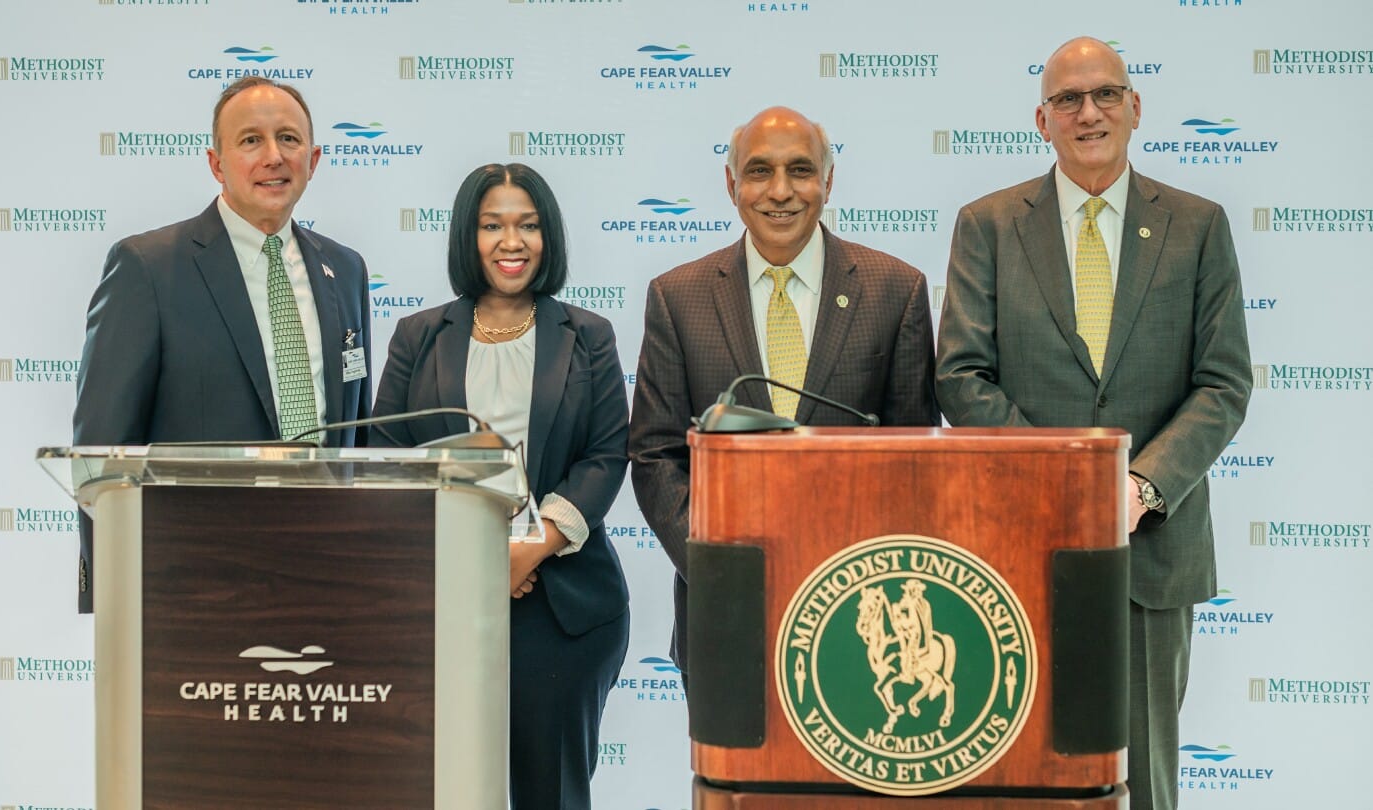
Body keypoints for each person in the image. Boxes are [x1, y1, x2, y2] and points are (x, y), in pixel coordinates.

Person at [935, 37, 1253, 810]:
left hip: (1150, 553)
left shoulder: (1197, 224)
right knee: (1014, 773)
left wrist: (1139, 487)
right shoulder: (987, 225)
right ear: (1039, 120)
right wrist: (1064, 483)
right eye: (1069, 100)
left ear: (1135, 108)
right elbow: (959, 375)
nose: (1089, 113)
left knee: (1141, 783)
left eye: (1105, 94)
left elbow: (1222, 383)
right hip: (1015, 548)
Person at [628, 106, 940, 681]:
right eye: (758, 171)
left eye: (799, 170)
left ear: (828, 181)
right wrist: (720, 566)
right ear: (731, 184)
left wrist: (861, 575)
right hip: (725, 614)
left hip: (863, 618)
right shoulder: (678, 297)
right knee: (729, 777)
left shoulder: (896, 290)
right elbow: (655, 456)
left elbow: (914, 458)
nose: (779, 191)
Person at [370, 163, 630, 810]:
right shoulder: (418, 335)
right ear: (468, 235)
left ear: (549, 237)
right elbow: (386, 457)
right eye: (492, 225)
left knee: (553, 795)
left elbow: (605, 454)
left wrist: (530, 547)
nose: (511, 242)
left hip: (562, 604)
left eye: (528, 225)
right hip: (442, 601)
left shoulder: (589, 336)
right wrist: (473, 559)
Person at [72, 76, 373, 612]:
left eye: (289, 138)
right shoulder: (149, 268)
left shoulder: (344, 270)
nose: (274, 157)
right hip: (195, 583)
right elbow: (103, 450)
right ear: (216, 162)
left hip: (329, 570)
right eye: (251, 140)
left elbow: (359, 433)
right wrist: (119, 594)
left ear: (316, 158)